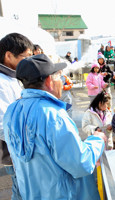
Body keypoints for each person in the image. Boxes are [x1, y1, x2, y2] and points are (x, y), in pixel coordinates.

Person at [3, 54, 106, 200]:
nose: (62, 82)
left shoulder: (12, 111)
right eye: (59, 77)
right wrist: (97, 140)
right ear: (49, 81)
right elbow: (81, 163)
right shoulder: (53, 115)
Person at [0, 32, 33, 200]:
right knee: (22, 191)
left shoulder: (12, 77)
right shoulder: (1, 83)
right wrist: (25, 148)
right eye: (25, 56)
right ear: (8, 55)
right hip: (15, 152)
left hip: (20, 149)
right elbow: (2, 125)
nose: (28, 61)